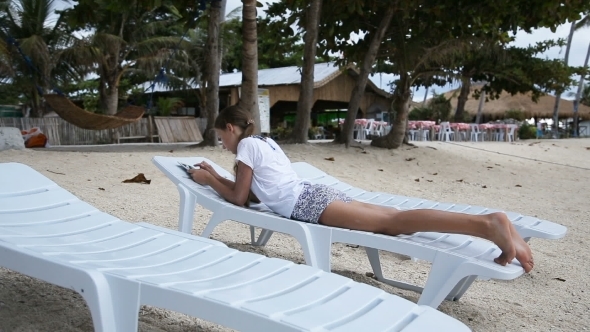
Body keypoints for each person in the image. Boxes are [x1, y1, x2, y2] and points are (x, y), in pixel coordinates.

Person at [189, 105, 534, 273]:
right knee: (396, 218)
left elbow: (239, 200)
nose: (222, 145)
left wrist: (209, 179)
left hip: (307, 204)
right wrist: (215, 174)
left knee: (394, 223)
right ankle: (495, 225)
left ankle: (487, 225)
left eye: (221, 137)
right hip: (315, 195)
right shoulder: (263, 141)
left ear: (231, 129)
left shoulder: (246, 147)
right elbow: (249, 193)